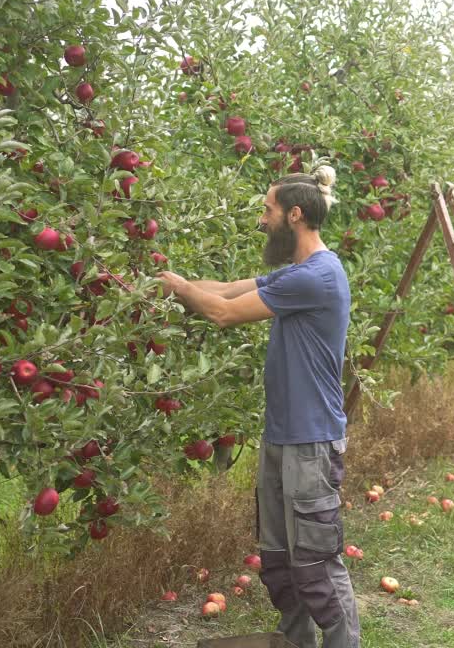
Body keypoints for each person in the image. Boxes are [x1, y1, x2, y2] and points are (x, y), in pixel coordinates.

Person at [157, 165, 359, 648]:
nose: (262, 220)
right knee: (281, 562)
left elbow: (224, 312)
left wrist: (181, 292)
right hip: (282, 435)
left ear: (294, 214)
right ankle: (296, 644)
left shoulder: (318, 277)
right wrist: (170, 283)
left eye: (267, 211)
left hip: (310, 442)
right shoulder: (296, 274)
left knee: (316, 564)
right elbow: (227, 289)